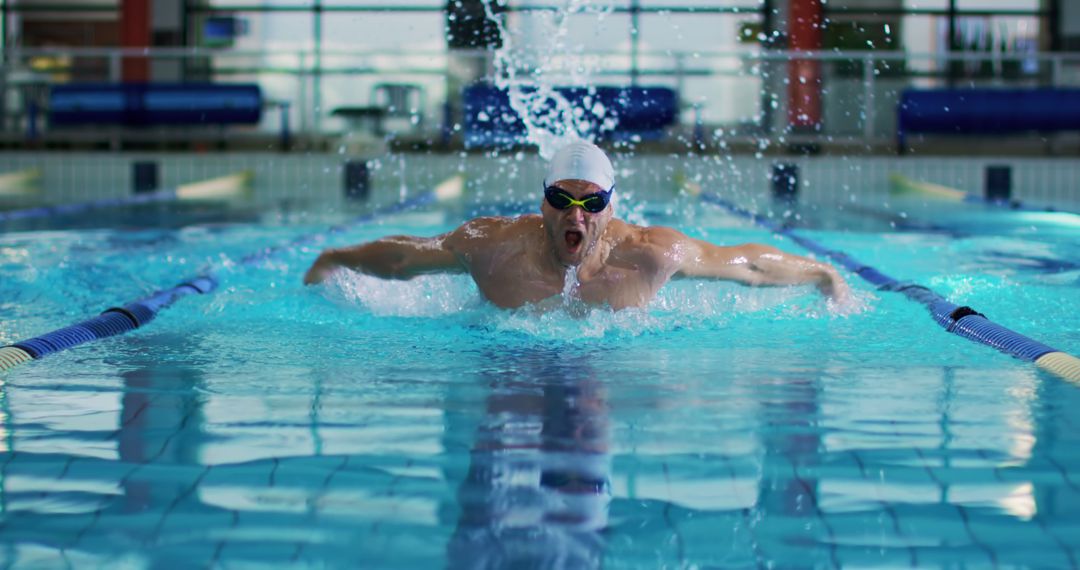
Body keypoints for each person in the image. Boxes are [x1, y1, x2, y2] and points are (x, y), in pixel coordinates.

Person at [304, 141, 850, 310]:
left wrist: (823, 273)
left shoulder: (649, 254)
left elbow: (745, 262)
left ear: (611, 207)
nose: (576, 214)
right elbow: (406, 257)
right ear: (541, 203)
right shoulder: (492, 245)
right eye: (561, 199)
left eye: (591, 203)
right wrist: (337, 258)